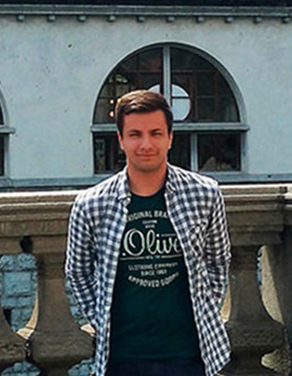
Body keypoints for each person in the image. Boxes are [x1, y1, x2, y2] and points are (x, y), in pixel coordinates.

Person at [65, 90, 231, 376]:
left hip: (192, 355)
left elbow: (218, 261)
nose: (146, 144)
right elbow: (77, 272)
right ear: (120, 140)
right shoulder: (91, 203)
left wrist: (204, 310)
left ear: (170, 137)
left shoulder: (205, 194)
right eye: (135, 134)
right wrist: (101, 319)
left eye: (155, 133)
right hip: (121, 357)